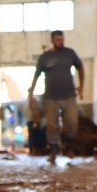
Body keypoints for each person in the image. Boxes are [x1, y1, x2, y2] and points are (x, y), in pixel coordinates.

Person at [28, 30, 85, 160]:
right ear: (52, 40)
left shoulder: (70, 53)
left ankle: (69, 148)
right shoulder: (45, 57)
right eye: (58, 39)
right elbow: (36, 75)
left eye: (62, 39)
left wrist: (81, 86)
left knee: (72, 122)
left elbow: (80, 68)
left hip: (69, 95)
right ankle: (53, 151)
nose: (61, 41)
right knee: (52, 125)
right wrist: (31, 92)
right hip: (50, 97)